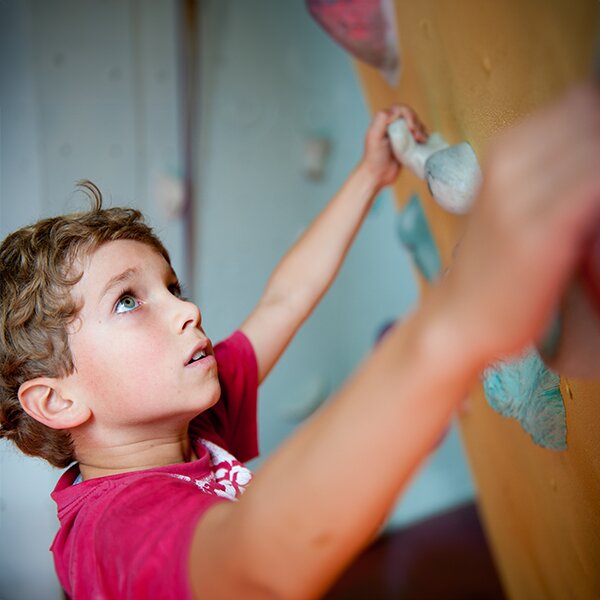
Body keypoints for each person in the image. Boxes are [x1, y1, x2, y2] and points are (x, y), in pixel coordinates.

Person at [0, 86, 598, 599]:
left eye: (172, 286)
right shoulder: (112, 532)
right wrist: (445, 333)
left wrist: (369, 177)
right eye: (128, 301)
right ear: (57, 402)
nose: (188, 309)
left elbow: (285, 300)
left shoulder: (188, 426)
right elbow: (256, 560)